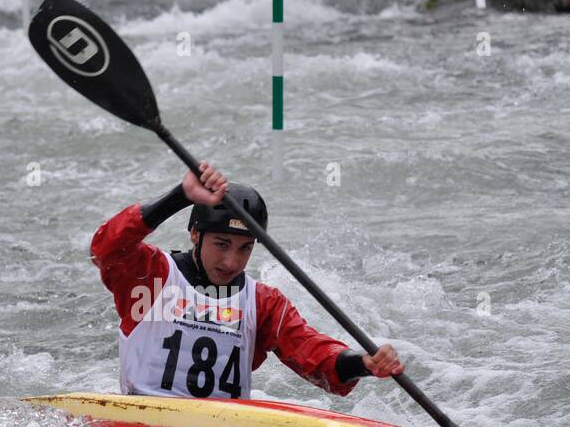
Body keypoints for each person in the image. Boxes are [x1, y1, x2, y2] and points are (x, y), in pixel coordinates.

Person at [90, 161, 404, 400]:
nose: (232, 262)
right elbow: (106, 248)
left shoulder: (263, 303)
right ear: (195, 235)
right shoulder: (153, 276)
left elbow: (314, 356)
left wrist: (363, 363)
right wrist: (179, 197)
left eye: (245, 248)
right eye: (221, 245)